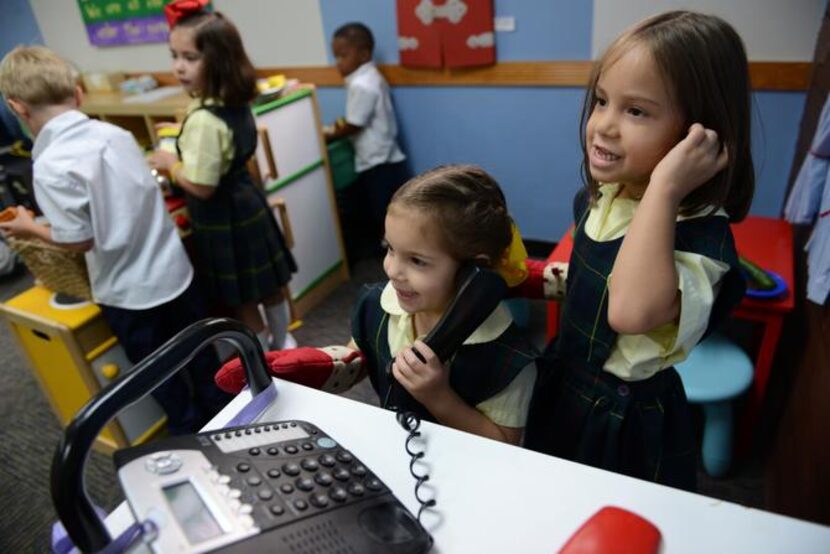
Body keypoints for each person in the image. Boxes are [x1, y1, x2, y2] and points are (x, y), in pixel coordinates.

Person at [519, 11, 754, 490]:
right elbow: (592, 279)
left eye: (637, 111)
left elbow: (628, 312)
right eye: (602, 101)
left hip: (620, 419)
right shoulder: (608, 194)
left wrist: (666, 186)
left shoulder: (699, 236)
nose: (602, 125)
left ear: (699, 134)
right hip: (565, 384)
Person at [216, 165, 538, 444]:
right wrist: (307, 368)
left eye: (417, 261)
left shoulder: (507, 357)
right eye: (390, 249)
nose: (392, 270)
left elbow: (504, 442)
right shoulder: (379, 305)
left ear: (473, 273)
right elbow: (360, 357)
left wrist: (439, 398)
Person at [0, 45, 230, 434]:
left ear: (17, 107)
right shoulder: (117, 134)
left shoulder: (51, 166)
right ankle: (227, 417)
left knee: (159, 373)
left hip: (131, 293)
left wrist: (28, 227)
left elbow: (78, 240)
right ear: (77, 95)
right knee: (200, 354)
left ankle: (191, 433)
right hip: (175, 273)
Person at [147, 1, 297, 351]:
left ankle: (263, 356)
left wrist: (171, 162)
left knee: (244, 299)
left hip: (221, 216)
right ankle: (284, 341)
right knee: (270, 285)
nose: (178, 67)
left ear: (218, 59)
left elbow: (200, 185)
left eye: (190, 57)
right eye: (174, 56)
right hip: (247, 200)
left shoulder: (204, 119)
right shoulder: (233, 99)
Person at [324, 22, 409, 261]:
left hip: (375, 158)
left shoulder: (362, 84)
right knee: (391, 204)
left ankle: (388, 248)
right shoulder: (369, 77)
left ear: (364, 54)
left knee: (382, 207)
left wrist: (328, 134)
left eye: (342, 56)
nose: (338, 63)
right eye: (336, 57)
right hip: (385, 152)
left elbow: (354, 123)